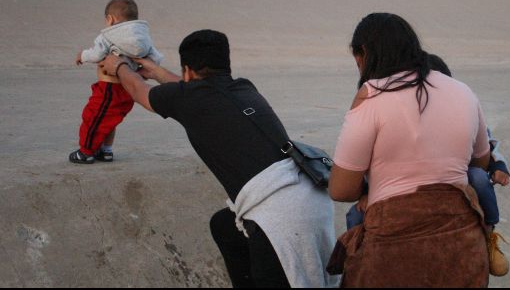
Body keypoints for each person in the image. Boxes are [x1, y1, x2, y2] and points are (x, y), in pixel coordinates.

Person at [101, 30, 339, 288]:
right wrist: (157, 72)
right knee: (225, 226)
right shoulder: (244, 88)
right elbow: (189, 91)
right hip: (313, 199)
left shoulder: (188, 98)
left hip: (279, 215)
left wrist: (121, 66)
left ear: (188, 71)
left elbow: (139, 92)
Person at [327, 13, 490, 288]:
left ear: (363, 53)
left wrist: (368, 191)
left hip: (394, 254)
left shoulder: (372, 96)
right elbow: (481, 160)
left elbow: (340, 189)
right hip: (463, 250)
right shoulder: (463, 91)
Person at [342, 52, 510, 277]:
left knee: (479, 178)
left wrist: (499, 167)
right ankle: (358, 260)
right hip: (405, 191)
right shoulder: (398, 120)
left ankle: (489, 232)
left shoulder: (461, 113)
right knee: (354, 216)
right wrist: (366, 192)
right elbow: (374, 166)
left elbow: (487, 147)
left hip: (455, 184)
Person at [70, 0, 164, 164]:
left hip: (108, 88)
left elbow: (97, 54)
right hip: (127, 88)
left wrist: (82, 56)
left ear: (110, 19)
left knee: (93, 117)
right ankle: (106, 151)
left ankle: (85, 152)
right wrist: (141, 72)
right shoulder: (143, 37)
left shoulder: (109, 35)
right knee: (111, 120)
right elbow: (155, 59)